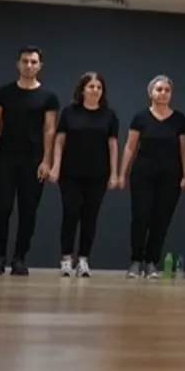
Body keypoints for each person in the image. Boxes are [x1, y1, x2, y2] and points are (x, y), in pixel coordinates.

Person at [0, 46, 60, 276]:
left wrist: (46, 161)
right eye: (25, 61)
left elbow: (49, 130)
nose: (29, 65)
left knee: (28, 211)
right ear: (18, 64)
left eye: (33, 62)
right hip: (5, 157)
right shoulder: (3, 93)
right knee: (1, 208)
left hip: (33, 160)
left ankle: (19, 258)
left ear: (40, 66)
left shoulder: (48, 97)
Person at [118, 75, 185, 279]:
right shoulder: (141, 117)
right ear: (151, 93)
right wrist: (122, 173)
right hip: (143, 174)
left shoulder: (179, 119)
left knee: (161, 219)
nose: (163, 93)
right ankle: (136, 261)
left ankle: (151, 262)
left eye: (167, 90)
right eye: (159, 89)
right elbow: (130, 146)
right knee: (141, 217)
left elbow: (184, 149)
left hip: (170, 175)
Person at [52, 72, 119, 278]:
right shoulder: (69, 112)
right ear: (82, 90)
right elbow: (60, 141)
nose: (95, 90)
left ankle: (83, 260)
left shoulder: (109, 116)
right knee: (70, 214)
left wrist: (114, 173)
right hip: (70, 173)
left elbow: (113, 145)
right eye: (91, 86)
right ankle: (66, 260)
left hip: (97, 173)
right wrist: (55, 166)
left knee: (90, 217)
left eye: (99, 87)